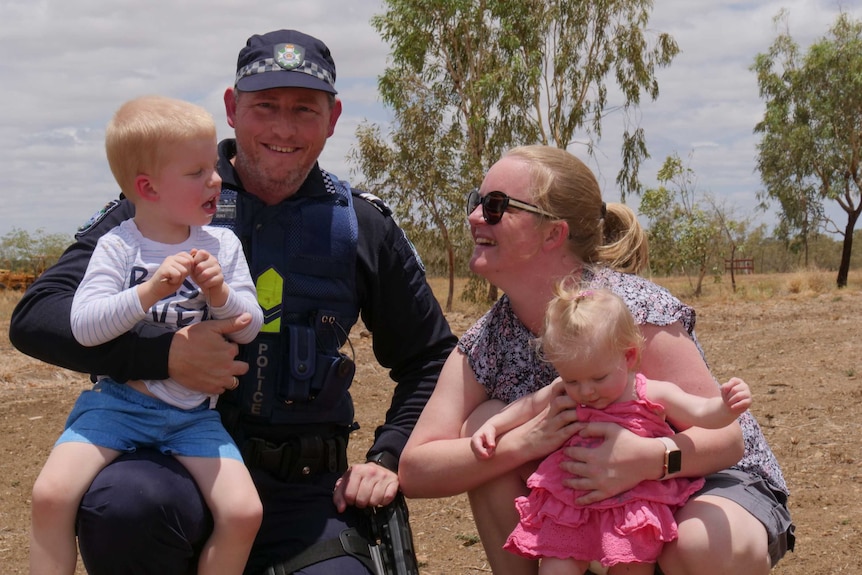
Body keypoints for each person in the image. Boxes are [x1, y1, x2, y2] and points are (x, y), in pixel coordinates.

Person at [10, 30, 456, 575]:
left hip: (307, 495)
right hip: (168, 468)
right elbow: (38, 316)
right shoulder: (153, 207)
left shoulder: (359, 224)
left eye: (304, 109)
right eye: (264, 106)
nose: (283, 128)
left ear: (334, 117)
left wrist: (389, 454)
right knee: (127, 505)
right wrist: (162, 355)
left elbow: (431, 358)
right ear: (232, 108)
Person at [399, 145, 794, 575]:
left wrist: (647, 460)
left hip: (702, 478)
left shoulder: (630, 313)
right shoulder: (487, 340)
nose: (476, 217)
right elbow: (417, 469)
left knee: (699, 546)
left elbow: (727, 442)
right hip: (590, 495)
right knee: (484, 432)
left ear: (554, 234)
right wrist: (520, 444)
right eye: (477, 203)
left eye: (496, 207)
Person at [29, 95, 265, 575]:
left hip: (191, 417)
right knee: (50, 496)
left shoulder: (222, 243)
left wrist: (219, 291)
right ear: (148, 187)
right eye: (197, 172)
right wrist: (149, 290)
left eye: (213, 167)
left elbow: (251, 324)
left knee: (244, 513)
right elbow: (85, 325)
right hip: (118, 406)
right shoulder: (118, 245)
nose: (216, 179)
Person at [470, 285, 753, 575]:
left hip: (631, 504)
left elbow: (700, 412)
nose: (586, 391)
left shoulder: (649, 392)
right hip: (573, 500)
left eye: (598, 377)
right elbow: (528, 406)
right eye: (573, 380)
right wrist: (493, 424)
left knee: (630, 566)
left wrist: (725, 407)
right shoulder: (564, 391)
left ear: (628, 356)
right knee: (556, 566)